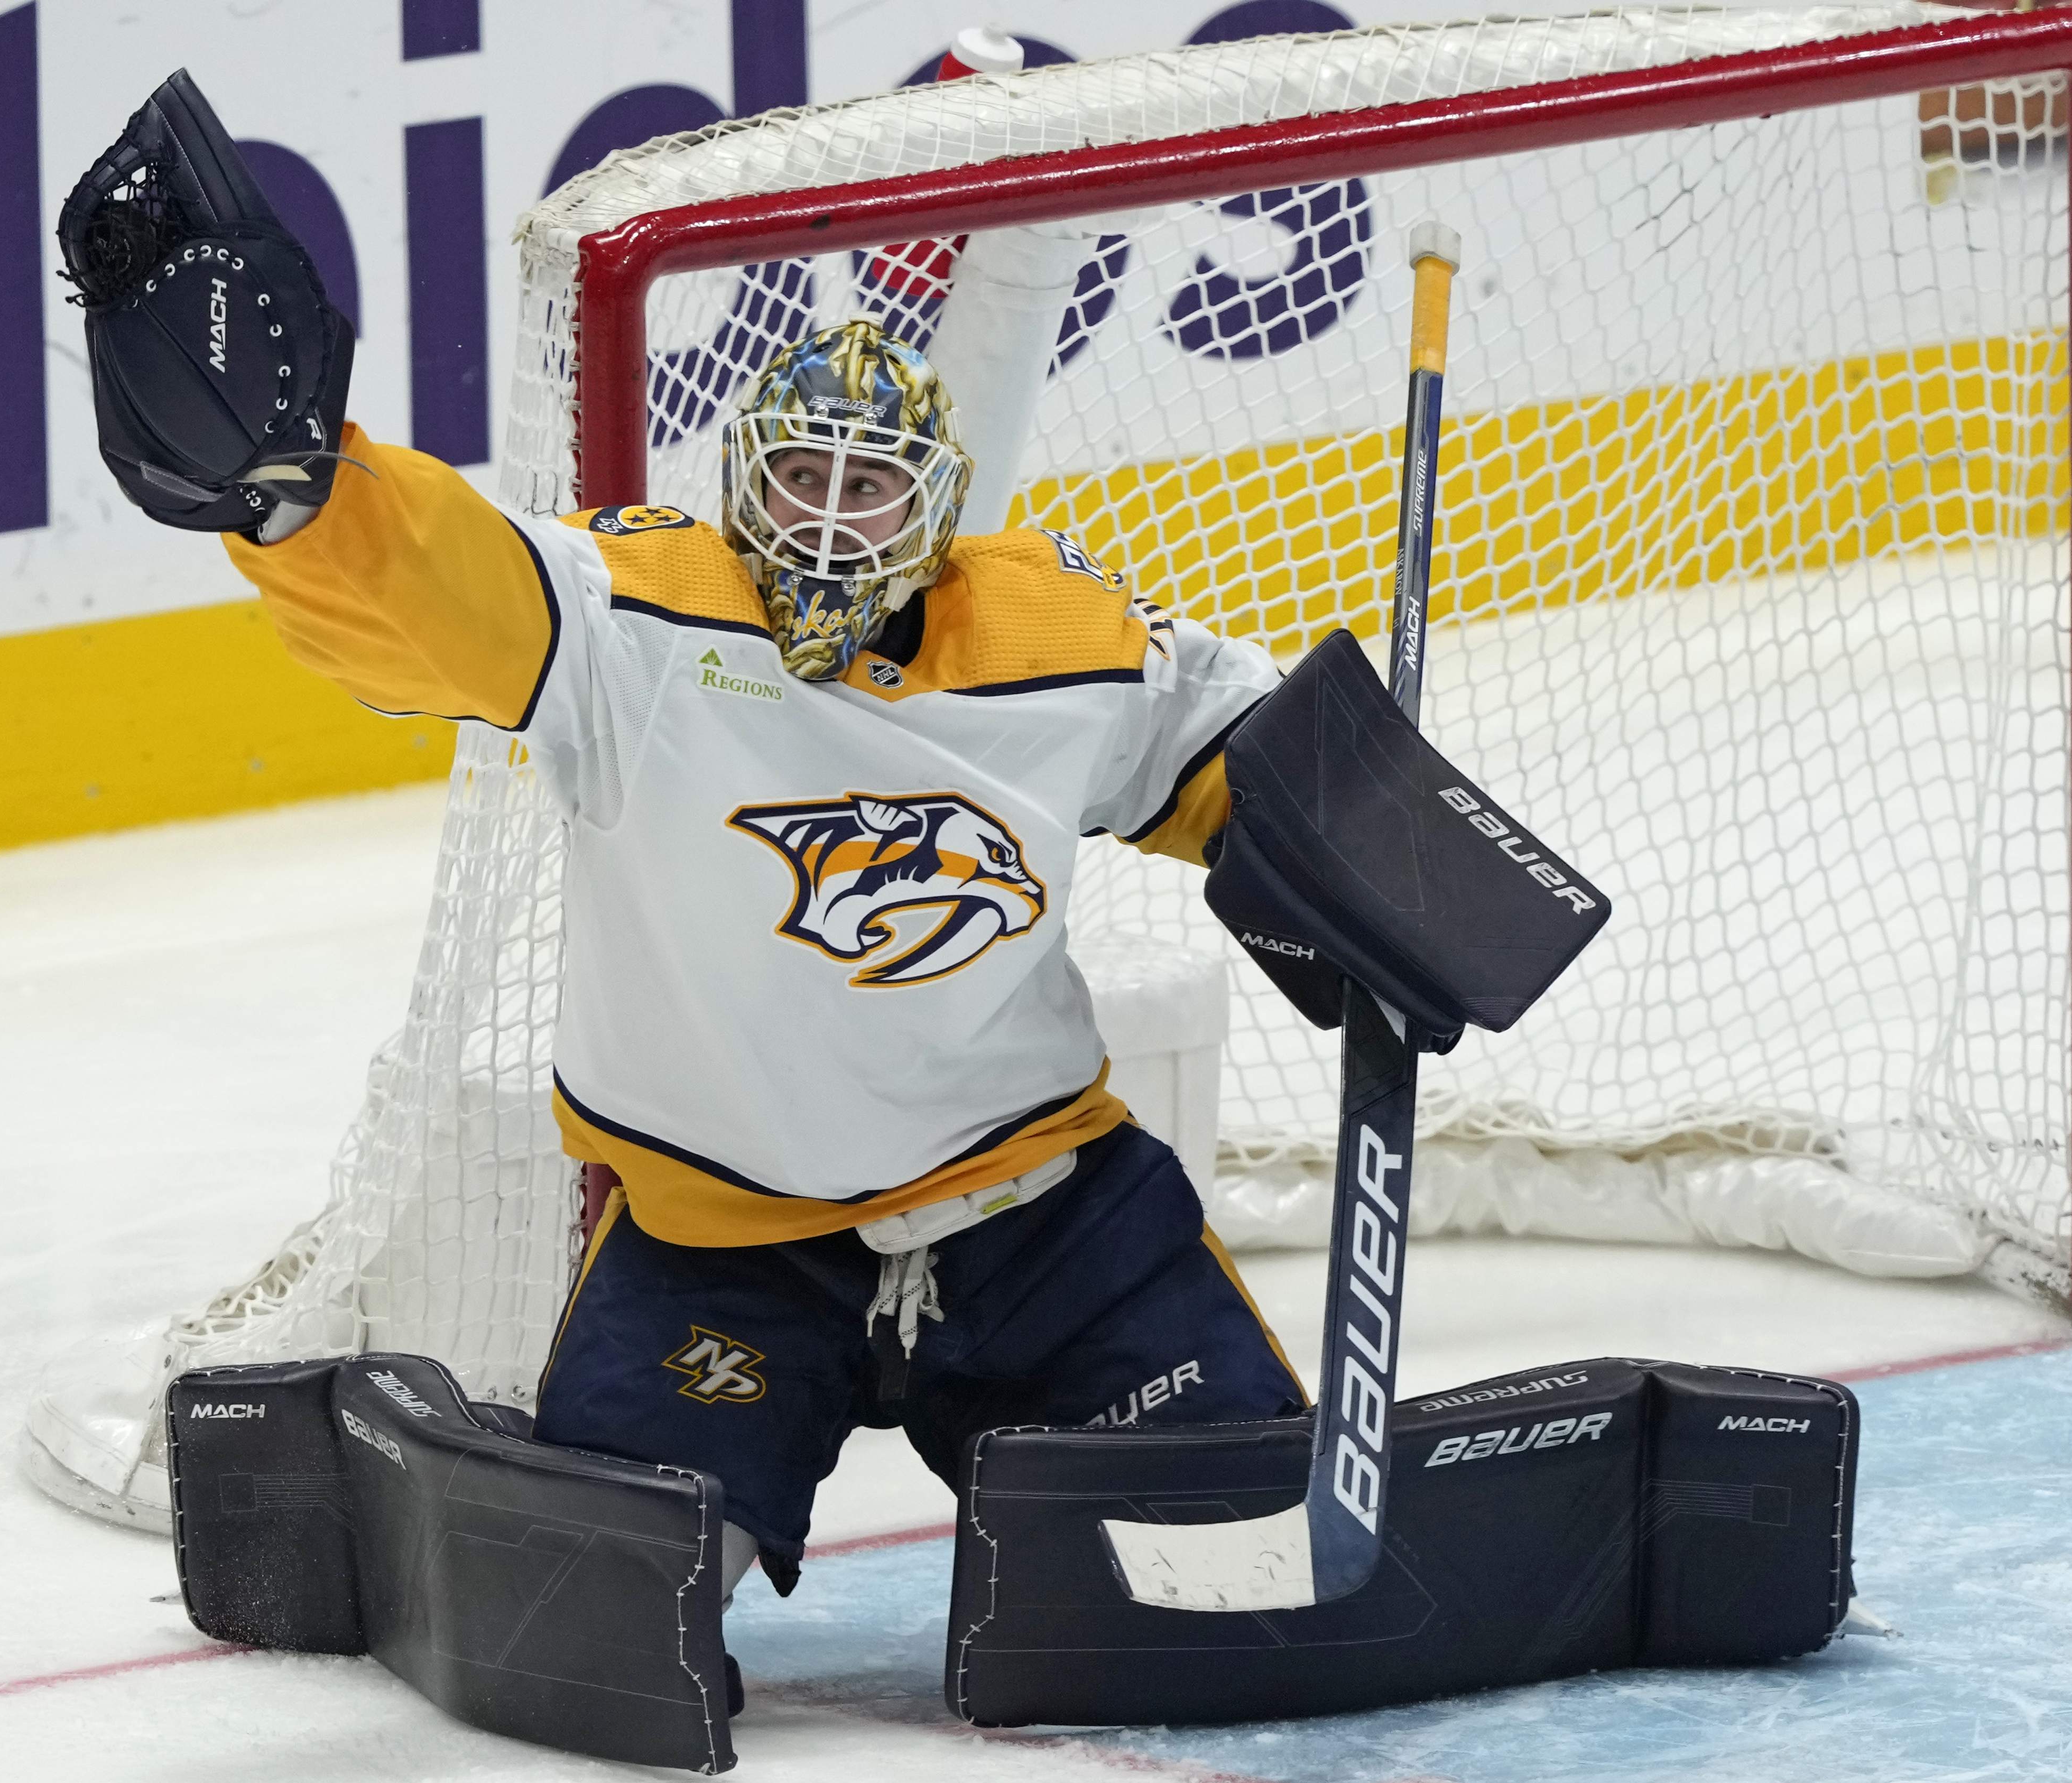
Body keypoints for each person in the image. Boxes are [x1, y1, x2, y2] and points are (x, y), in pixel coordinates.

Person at [224, 318, 1308, 1598]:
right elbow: (455, 587)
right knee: (606, 1609)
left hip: (1042, 1214)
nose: (829, 524)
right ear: (744, 477)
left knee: (1242, 1563)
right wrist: (303, 500)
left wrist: (1374, 867)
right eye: (801, 477)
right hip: (725, 1237)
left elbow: (1251, 754)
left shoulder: (1056, 640)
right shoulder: (633, 625)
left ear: (938, 505)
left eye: (870, 487)